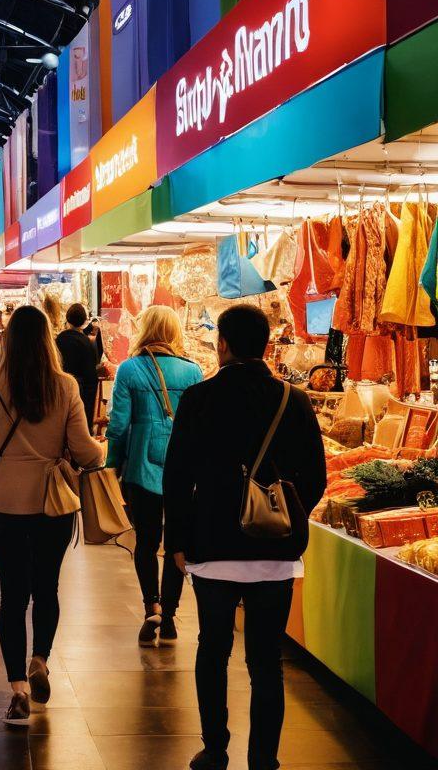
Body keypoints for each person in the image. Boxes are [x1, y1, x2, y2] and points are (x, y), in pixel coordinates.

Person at [163, 305, 325, 770]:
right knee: (266, 662)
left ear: (224, 344)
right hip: (274, 553)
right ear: (266, 344)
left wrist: (177, 538)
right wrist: (285, 516)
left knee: (212, 650)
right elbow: (315, 476)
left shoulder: (197, 399)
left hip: (211, 547)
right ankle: (264, 760)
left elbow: (176, 478)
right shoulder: (292, 401)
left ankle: (215, 748)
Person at [0, 305, 102, 725]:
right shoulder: (66, 386)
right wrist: (98, 450)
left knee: (12, 596)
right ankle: (39, 658)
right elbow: (84, 450)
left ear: (7, 342)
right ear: (47, 340)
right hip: (52, 505)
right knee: (47, 588)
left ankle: (17, 691)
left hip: (5, 504)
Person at [105, 306, 203, 647]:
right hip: (183, 468)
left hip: (140, 468)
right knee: (177, 543)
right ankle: (172, 615)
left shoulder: (128, 370)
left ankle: (152, 607)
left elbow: (118, 425)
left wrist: (112, 465)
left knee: (145, 542)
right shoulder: (193, 372)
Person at [55, 303, 101, 430]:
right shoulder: (87, 342)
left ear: (67, 319)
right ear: (84, 320)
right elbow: (91, 374)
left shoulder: (59, 339)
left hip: (61, 391)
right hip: (81, 393)